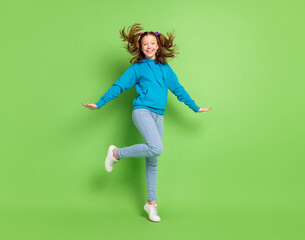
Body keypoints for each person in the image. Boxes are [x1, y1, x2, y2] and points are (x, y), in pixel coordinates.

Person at [82, 23, 212, 222]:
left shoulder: (165, 69)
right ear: (140, 47)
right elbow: (119, 86)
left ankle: (151, 204)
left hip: (158, 115)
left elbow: (178, 89)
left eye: (153, 43)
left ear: (158, 46)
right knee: (156, 147)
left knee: (153, 160)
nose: (149, 46)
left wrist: (195, 107)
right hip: (142, 111)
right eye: (145, 44)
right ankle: (116, 153)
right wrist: (99, 104)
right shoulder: (137, 68)